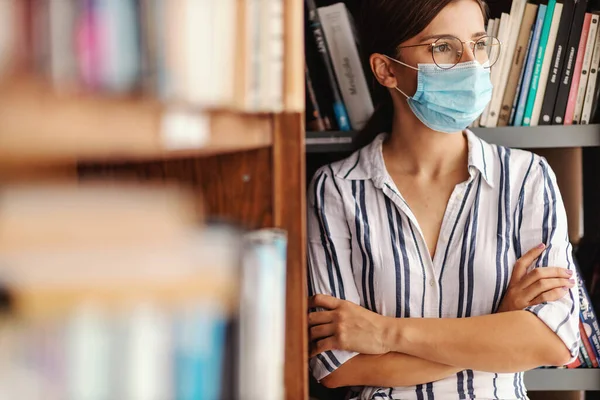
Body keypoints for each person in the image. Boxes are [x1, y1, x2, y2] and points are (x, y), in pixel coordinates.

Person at [306, 0, 580, 399]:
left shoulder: (527, 179)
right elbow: (339, 368)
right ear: (386, 69)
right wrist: (499, 327)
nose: (472, 64)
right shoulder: (336, 188)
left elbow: (552, 341)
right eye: (444, 48)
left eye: (479, 44)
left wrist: (385, 332)